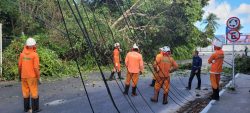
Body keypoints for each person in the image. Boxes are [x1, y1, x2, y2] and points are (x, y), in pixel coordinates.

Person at [18, 37, 41, 113]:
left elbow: (19, 66)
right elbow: (35, 67)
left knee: (25, 92)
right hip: (32, 77)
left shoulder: (22, 54)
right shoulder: (35, 55)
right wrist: (38, 77)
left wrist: (20, 75)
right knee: (34, 92)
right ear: (34, 45)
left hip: (23, 76)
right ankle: (35, 109)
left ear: (26, 45)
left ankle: (26, 109)